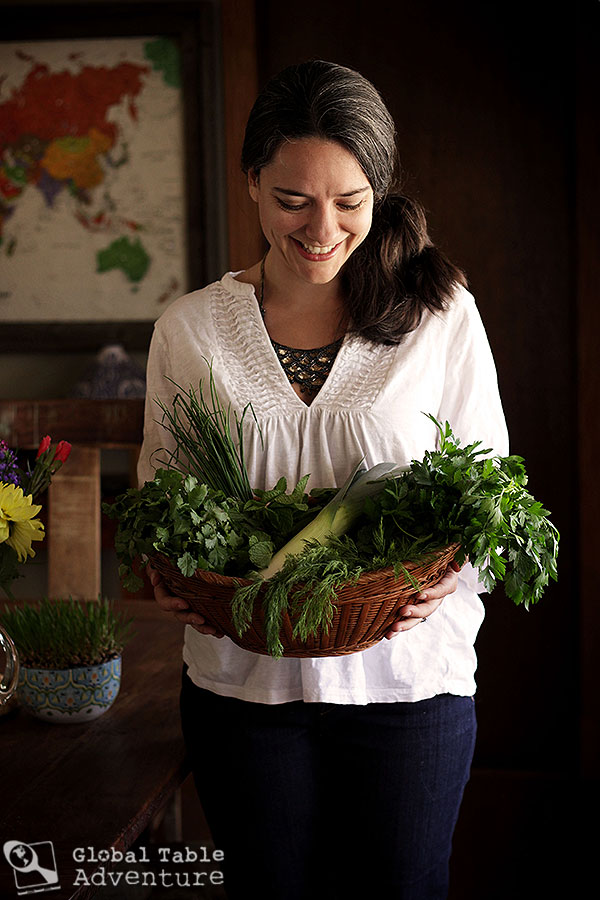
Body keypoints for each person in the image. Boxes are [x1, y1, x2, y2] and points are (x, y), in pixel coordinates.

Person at [138, 60, 508, 900]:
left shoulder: (439, 317)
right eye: (292, 199)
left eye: (349, 202)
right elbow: (162, 489)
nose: (321, 229)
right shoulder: (189, 329)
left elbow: (488, 489)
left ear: (379, 193)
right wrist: (164, 571)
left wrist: (450, 575)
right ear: (251, 186)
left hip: (406, 684)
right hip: (244, 688)